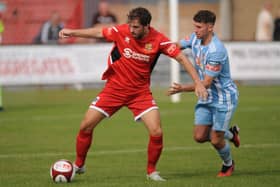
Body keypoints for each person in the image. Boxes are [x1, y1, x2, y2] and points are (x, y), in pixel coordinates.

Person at [59, 7, 208, 181]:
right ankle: (79, 164)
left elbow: (181, 58)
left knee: (156, 131)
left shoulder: (158, 40)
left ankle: (152, 171)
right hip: (114, 89)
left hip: (140, 93)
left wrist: (198, 82)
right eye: (130, 26)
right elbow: (99, 32)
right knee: (85, 125)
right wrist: (72, 32)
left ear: (146, 26)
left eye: (136, 27)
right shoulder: (121, 31)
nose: (131, 30)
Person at [167, 10, 240, 177]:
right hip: (207, 96)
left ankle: (228, 164)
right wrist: (156, 47)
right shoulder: (195, 39)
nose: (195, 30)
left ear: (210, 27)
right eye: (195, 26)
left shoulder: (216, 50)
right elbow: (175, 45)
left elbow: (205, 83)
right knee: (199, 136)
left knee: (215, 139)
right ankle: (231, 133)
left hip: (223, 99)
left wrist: (181, 89)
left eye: (199, 27)